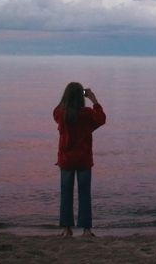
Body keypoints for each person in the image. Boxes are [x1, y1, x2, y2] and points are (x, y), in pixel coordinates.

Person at [53, 81, 106, 237]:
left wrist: (65, 98)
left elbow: (55, 111)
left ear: (66, 97)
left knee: (66, 194)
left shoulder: (62, 115)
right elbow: (101, 118)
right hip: (83, 160)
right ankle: (86, 230)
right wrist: (93, 99)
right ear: (81, 97)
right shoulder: (87, 114)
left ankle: (67, 229)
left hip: (66, 160)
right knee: (84, 194)